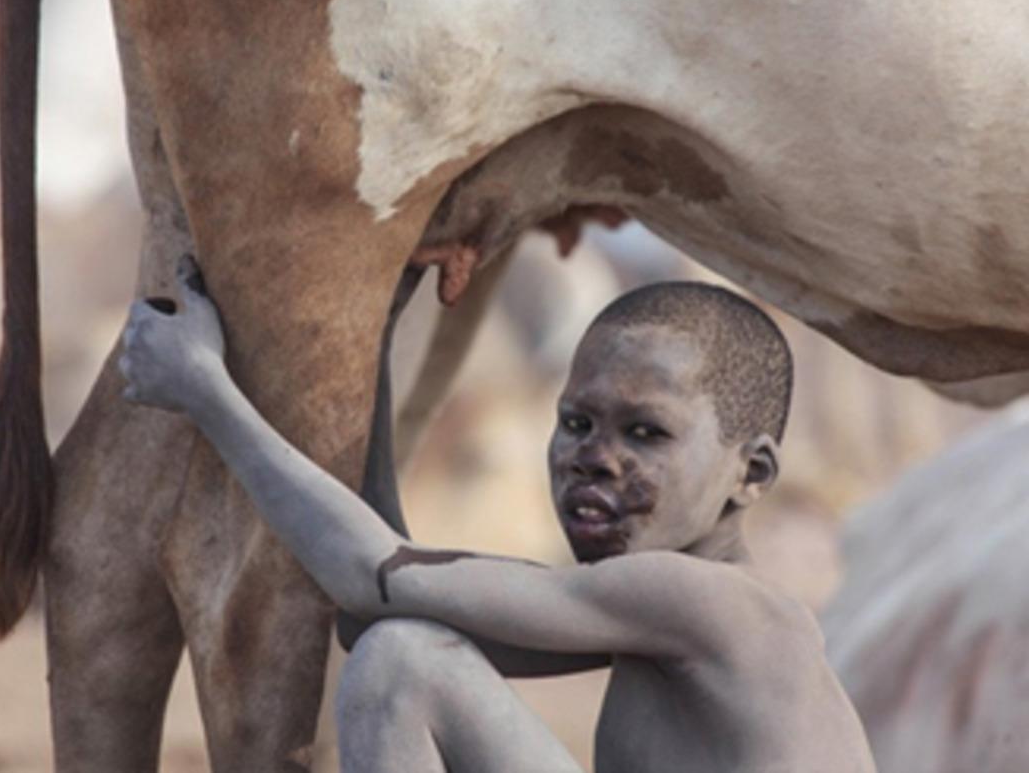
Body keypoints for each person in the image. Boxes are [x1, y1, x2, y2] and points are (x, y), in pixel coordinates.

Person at [119, 255, 876, 773]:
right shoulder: (648, 617)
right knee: (400, 645)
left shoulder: (703, 603)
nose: (595, 457)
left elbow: (371, 581)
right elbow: (380, 593)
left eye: (646, 433)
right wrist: (370, 350)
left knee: (403, 659)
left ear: (753, 473)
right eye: (577, 423)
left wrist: (205, 392)